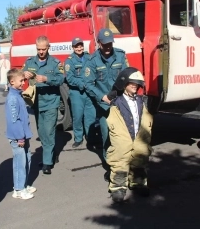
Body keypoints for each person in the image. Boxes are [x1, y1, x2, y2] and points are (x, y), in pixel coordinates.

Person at [105, 67, 154, 203]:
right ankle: (118, 187)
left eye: (137, 83)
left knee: (140, 156)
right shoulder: (117, 102)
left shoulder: (141, 101)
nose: (134, 85)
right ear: (124, 84)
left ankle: (138, 183)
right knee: (120, 158)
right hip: (124, 135)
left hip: (138, 134)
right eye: (131, 83)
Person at [83, 28, 128, 164]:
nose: (108, 47)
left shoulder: (120, 56)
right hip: (104, 106)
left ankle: (122, 163)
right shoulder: (92, 61)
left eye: (110, 43)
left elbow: (126, 75)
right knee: (107, 136)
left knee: (122, 136)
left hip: (121, 103)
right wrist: (102, 96)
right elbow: (88, 84)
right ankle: (109, 166)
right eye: (105, 44)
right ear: (99, 43)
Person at [22, 36, 64, 175]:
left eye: (43, 49)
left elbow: (61, 79)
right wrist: (24, 75)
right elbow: (20, 78)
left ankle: (47, 162)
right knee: (41, 132)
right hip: (36, 103)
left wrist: (47, 79)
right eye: (38, 49)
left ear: (48, 47)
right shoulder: (29, 62)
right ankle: (50, 155)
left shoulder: (55, 63)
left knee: (49, 131)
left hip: (51, 102)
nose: (41, 52)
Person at [5, 68, 36, 200]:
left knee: (27, 160)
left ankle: (24, 184)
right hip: (18, 137)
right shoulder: (12, 98)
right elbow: (14, 120)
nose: (23, 82)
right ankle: (18, 189)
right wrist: (19, 137)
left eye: (23, 80)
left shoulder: (18, 94)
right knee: (19, 162)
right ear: (12, 82)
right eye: (21, 80)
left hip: (23, 135)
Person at [64, 37, 96, 148]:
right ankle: (78, 138)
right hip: (77, 93)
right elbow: (70, 78)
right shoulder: (69, 61)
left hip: (89, 93)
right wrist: (82, 83)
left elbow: (94, 71)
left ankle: (91, 138)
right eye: (76, 46)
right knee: (77, 117)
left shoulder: (89, 57)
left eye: (80, 45)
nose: (79, 48)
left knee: (90, 116)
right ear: (73, 48)